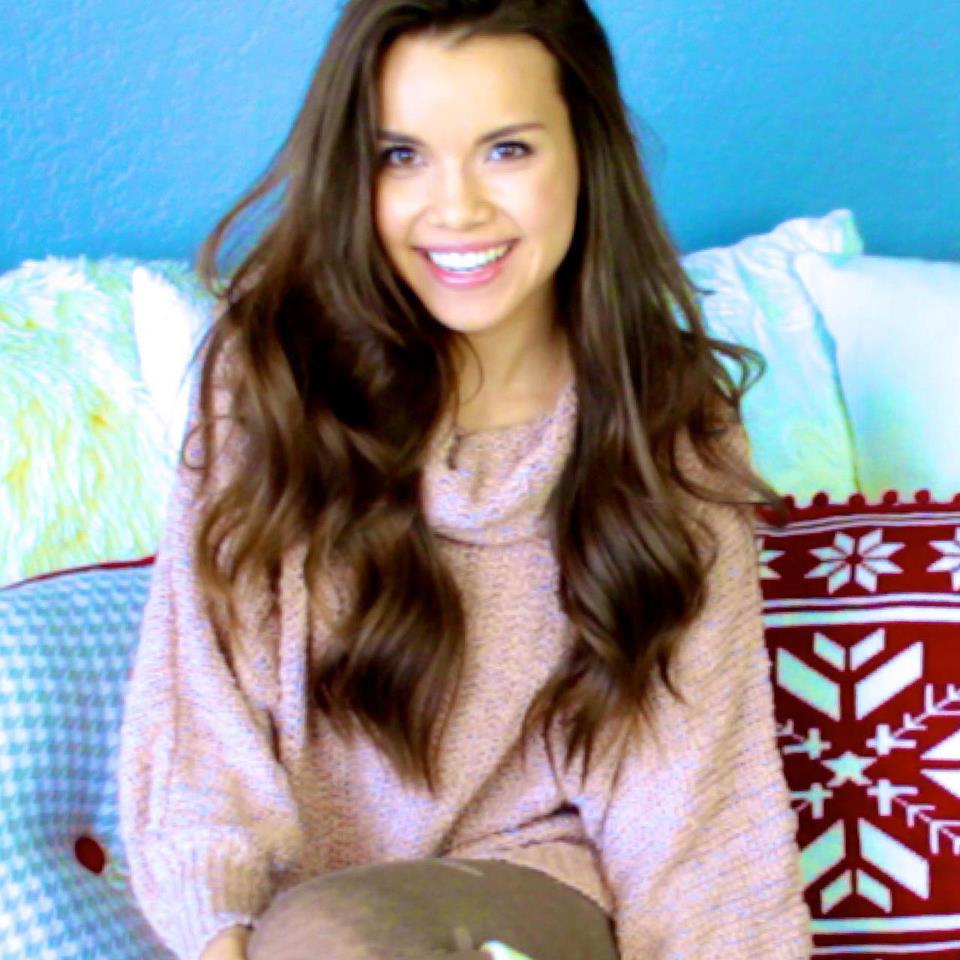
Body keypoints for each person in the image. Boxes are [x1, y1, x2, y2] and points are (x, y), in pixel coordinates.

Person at [117, 1, 812, 958]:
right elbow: (201, 714)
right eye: (402, 156)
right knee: (330, 934)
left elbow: (696, 788)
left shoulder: (664, 420)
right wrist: (224, 938)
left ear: (587, 155)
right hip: (296, 925)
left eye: (507, 150)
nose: (456, 209)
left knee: (342, 936)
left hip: (528, 894)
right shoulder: (271, 377)